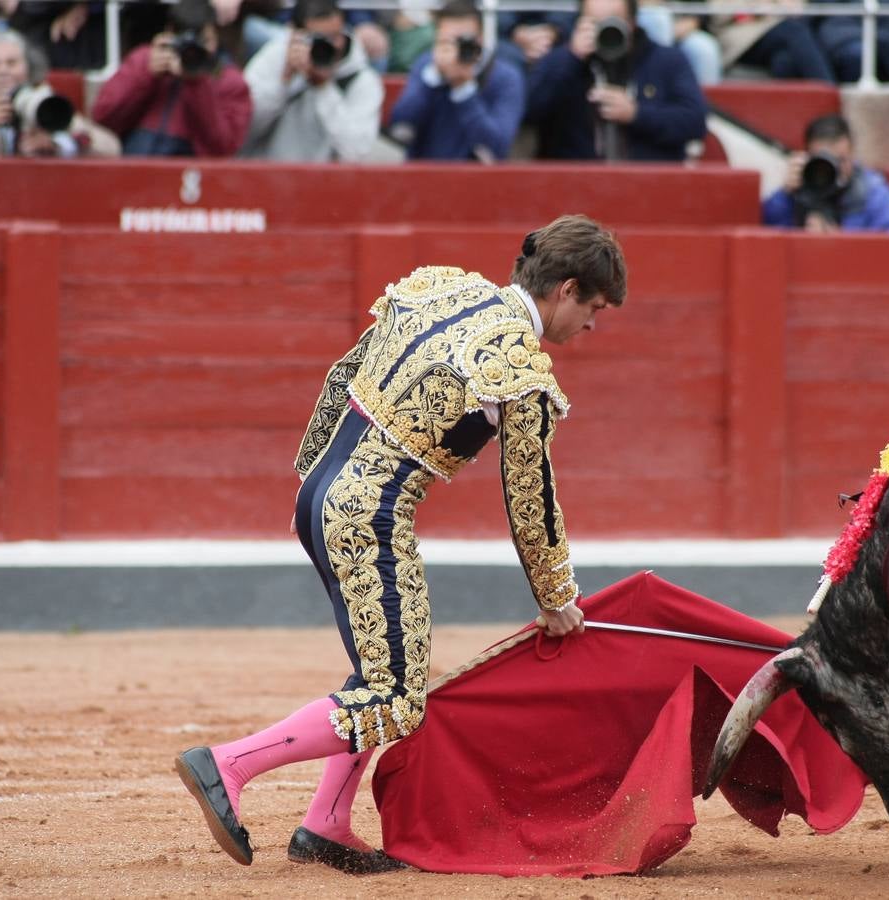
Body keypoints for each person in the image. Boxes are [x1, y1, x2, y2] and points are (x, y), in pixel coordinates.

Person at [174, 214, 624, 873]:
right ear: (567, 289)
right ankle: (227, 765)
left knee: (379, 670)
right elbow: (530, 499)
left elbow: (345, 372)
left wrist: (317, 483)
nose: (591, 327)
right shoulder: (519, 368)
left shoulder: (443, 289)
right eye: (595, 309)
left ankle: (325, 823)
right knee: (396, 698)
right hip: (370, 516)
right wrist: (558, 597)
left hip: (320, 495)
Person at [525, 0, 707, 161]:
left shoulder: (666, 61)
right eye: (595, 23)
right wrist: (571, 58)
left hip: (649, 183)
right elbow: (530, 111)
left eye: (614, 21)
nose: (605, 30)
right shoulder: (561, 61)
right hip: (576, 184)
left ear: (632, 22)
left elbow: (694, 122)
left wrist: (636, 114)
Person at [91, 0, 251, 157]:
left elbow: (223, 148)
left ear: (215, 39)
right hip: (134, 162)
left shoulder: (230, 80)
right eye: (183, 40)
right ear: (168, 33)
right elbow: (103, 117)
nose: (190, 51)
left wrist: (196, 83)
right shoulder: (145, 60)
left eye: (203, 42)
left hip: (194, 176)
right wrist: (145, 74)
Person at [240, 0, 383, 161]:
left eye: (335, 36)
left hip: (330, 181)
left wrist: (324, 88)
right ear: (294, 32)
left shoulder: (361, 79)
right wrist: (283, 82)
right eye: (318, 39)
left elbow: (356, 150)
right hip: (266, 174)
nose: (329, 46)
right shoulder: (274, 58)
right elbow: (243, 131)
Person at [387, 0, 525, 161]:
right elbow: (400, 126)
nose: (455, 50)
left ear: (480, 39)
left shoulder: (505, 77)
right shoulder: (426, 66)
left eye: (464, 42)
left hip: (478, 179)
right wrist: (433, 78)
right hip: (425, 174)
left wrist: (464, 90)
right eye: (447, 42)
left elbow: (497, 146)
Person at [0, 31, 119, 157]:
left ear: (28, 68)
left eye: (12, 63)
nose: (3, 71)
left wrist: (59, 142)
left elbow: (112, 149)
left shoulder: (46, 105)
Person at [761, 115, 889, 233]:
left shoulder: (874, 193)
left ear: (853, 155)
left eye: (840, 160)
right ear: (809, 156)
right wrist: (785, 194)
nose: (834, 169)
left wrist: (840, 244)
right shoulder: (796, 189)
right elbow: (768, 235)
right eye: (824, 160)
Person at [710, 2, 835, 82]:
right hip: (740, 34)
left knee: (784, 61)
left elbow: (798, 7)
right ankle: (830, 96)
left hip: (779, 28)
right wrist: (757, 6)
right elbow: (717, 12)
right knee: (794, 32)